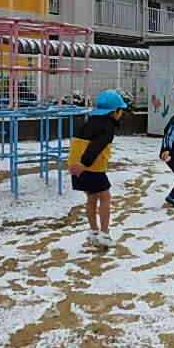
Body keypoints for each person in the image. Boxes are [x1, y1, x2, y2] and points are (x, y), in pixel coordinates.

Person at [68, 90, 127, 247]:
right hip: (89, 167)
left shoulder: (90, 122)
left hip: (76, 166)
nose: (121, 114)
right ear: (115, 111)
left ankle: (93, 232)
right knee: (105, 197)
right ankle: (105, 235)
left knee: (92, 198)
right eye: (121, 110)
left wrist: (78, 165)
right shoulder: (107, 126)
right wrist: (84, 164)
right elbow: (96, 146)